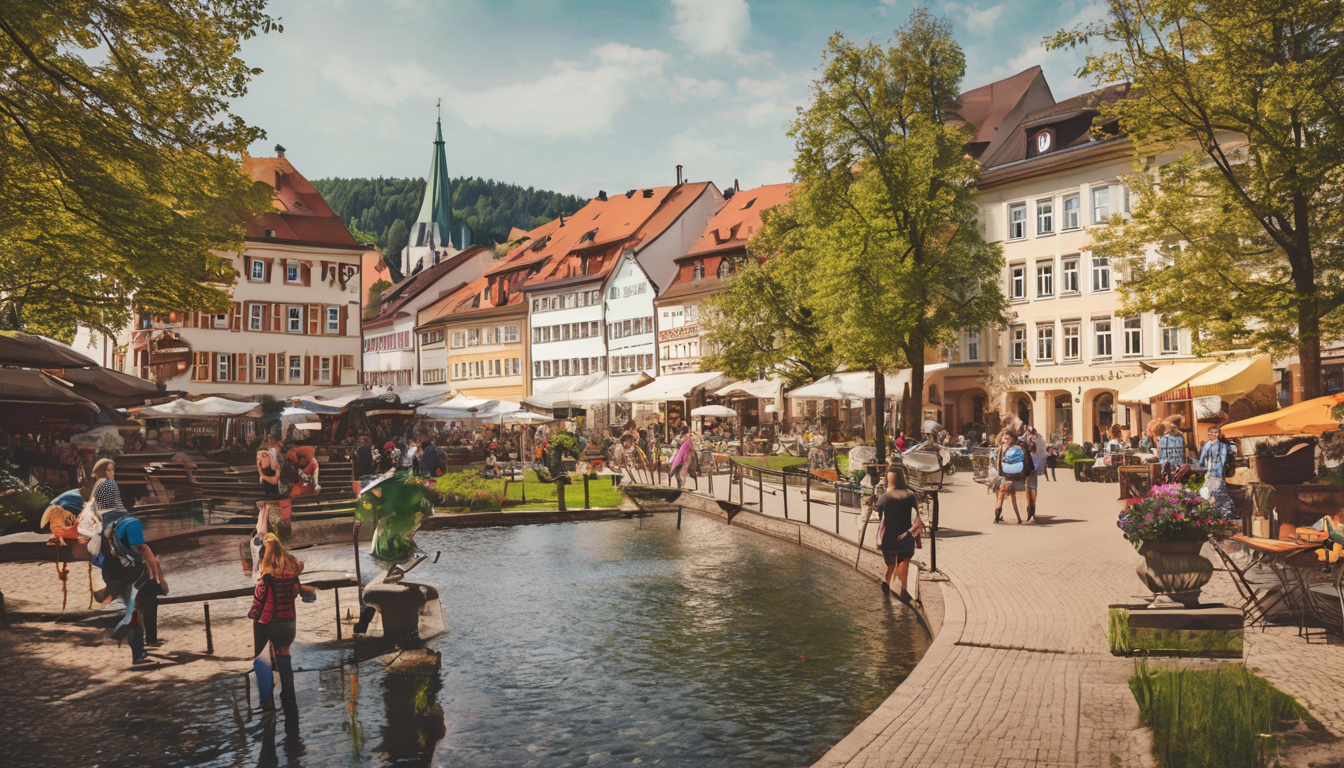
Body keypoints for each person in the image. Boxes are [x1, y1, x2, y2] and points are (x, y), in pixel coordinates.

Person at [90, 459, 169, 660]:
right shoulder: (130, 522)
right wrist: (159, 574)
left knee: (132, 610)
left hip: (114, 574)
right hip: (134, 574)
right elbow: (142, 548)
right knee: (144, 602)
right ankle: (135, 641)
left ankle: (138, 650)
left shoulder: (102, 525)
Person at [249, 533, 314, 730]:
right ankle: (289, 699)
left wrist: (252, 613)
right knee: (284, 654)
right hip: (288, 622)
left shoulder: (266, 574)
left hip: (268, 622)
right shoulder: (292, 568)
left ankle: (268, 702)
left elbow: (259, 596)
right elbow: (296, 591)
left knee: (262, 658)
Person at [876, 469, 923, 599]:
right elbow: (916, 514)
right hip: (906, 535)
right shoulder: (910, 495)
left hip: (889, 536)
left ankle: (887, 580)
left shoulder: (884, 497)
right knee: (904, 562)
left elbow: (880, 516)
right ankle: (903, 589)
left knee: (890, 563)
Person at [1197, 425, 1236, 518]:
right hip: (1209, 473)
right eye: (1211, 432)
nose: (1213, 434)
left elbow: (1222, 460)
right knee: (1208, 492)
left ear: (1218, 434)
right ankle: (1212, 512)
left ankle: (1219, 513)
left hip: (1218, 473)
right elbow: (1202, 460)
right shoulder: (1206, 445)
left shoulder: (1222, 446)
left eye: (1215, 432)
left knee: (1216, 492)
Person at [993, 430, 1031, 524]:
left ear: (1012, 439)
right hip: (1016, 476)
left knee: (1000, 496)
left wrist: (1000, 474)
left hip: (1005, 476)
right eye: (1005, 438)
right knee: (1013, 497)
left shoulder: (1002, 448)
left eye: (1007, 439)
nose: (1005, 440)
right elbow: (1025, 462)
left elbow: (999, 464)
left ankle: (997, 516)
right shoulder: (1019, 448)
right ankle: (1018, 519)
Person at [1023, 426, 1047, 521]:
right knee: (1033, 487)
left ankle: (1029, 507)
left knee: (1028, 487)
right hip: (1035, 467)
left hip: (1027, 467)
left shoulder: (1027, 439)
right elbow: (1043, 455)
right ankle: (1032, 508)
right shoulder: (1039, 439)